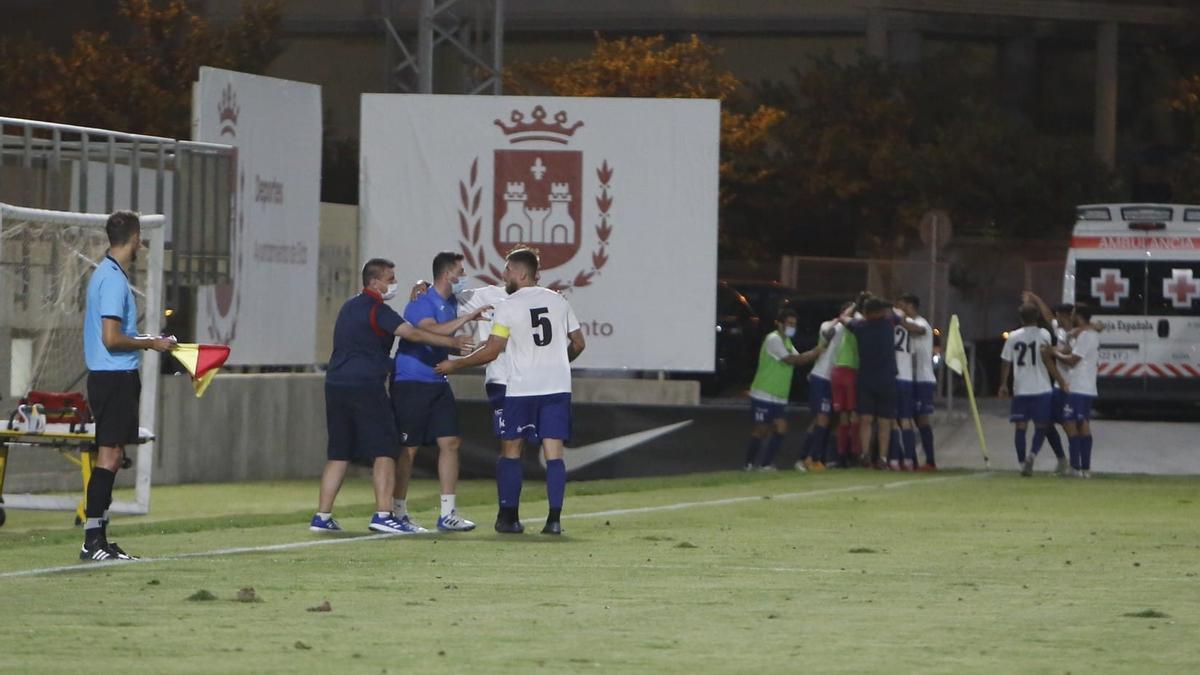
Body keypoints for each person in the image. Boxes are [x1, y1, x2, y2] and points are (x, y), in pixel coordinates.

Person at [311, 258, 472, 534]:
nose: (393, 283)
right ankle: (384, 514)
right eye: (389, 278)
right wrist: (452, 343)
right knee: (386, 449)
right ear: (374, 282)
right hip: (365, 385)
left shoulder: (348, 307)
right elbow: (413, 334)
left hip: (335, 382)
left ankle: (322, 516)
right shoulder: (377, 309)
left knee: (339, 452)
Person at [435, 248, 585, 535]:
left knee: (511, 448)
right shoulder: (559, 301)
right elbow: (578, 343)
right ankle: (554, 521)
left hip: (521, 387)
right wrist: (558, 364)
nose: (503, 274)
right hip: (557, 387)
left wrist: (455, 367)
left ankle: (508, 517)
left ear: (520, 273)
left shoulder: (508, 305)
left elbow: (492, 350)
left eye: (506, 269)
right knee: (554, 452)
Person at [80, 211, 174, 561]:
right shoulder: (114, 280)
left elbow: (117, 335)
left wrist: (152, 339)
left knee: (115, 456)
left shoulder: (106, 273)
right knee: (109, 456)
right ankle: (92, 539)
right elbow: (111, 338)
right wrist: (149, 344)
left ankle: (99, 538)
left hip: (112, 376)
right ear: (134, 238)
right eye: (140, 239)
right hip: (113, 377)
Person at [390, 252, 489, 533]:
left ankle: (447, 513)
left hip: (437, 382)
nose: (463, 276)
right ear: (449, 275)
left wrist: (460, 346)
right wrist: (466, 320)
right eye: (461, 271)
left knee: (451, 442)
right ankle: (398, 511)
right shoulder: (421, 302)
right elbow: (431, 331)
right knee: (408, 448)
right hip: (412, 382)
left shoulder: (449, 301)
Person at [743, 308, 824, 471]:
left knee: (781, 428)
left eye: (794, 324)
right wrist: (818, 350)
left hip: (779, 395)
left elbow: (799, 358)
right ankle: (749, 463)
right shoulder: (773, 339)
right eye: (789, 323)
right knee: (761, 430)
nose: (792, 327)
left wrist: (816, 351)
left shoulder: (787, 341)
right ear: (779, 324)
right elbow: (792, 360)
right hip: (764, 392)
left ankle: (766, 464)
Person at [841, 297, 915, 468]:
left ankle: (865, 455)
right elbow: (899, 313)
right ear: (876, 312)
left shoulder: (859, 326)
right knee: (884, 420)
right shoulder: (889, 323)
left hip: (866, 378)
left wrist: (854, 304)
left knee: (866, 418)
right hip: (887, 378)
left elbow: (843, 318)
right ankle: (882, 457)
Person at [998, 303, 1068, 474]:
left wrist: (1003, 384)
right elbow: (1047, 359)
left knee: (1020, 426)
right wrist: (1061, 380)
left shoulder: (1013, 337)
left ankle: (1022, 463)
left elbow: (1006, 362)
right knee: (1042, 426)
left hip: (1021, 388)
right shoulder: (1043, 334)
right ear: (1037, 318)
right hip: (1042, 387)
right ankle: (1032, 454)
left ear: (1020, 318)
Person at [1022, 292, 1073, 474]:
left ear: (1066, 317)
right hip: (1058, 387)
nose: (1055, 318)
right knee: (1047, 422)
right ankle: (1061, 460)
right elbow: (1048, 315)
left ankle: (1077, 465)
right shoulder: (1059, 331)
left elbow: (1069, 352)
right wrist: (1036, 298)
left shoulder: (1074, 334)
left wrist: (1052, 351)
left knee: (1070, 426)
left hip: (1070, 386)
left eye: (1058, 316)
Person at [1053, 304, 1100, 477]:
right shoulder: (1086, 333)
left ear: (1078, 316)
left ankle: (1076, 467)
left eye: (1073, 314)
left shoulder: (1086, 336)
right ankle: (1084, 468)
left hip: (1079, 386)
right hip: (1085, 386)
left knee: (1072, 423)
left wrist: (1054, 353)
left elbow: (1073, 360)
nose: (1071, 317)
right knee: (1081, 423)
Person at [795, 313, 844, 471]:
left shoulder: (850, 330)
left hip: (832, 379)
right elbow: (828, 333)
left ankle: (812, 457)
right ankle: (810, 458)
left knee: (823, 420)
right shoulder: (828, 325)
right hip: (821, 376)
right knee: (822, 418)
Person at [887, 296, 928, 471]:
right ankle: (910, 461)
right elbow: (920, 332)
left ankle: (895, 460)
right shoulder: (909, 324)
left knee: (892, 421)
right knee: (906, 420)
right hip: (906, 378)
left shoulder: (887, 323)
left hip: (891, 377)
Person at [898, 293, 938, 471]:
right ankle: (912, 459)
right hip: (910, 379)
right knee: (908, 419)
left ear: (911, 306)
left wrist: (897, 319)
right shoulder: (906, 327)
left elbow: (918, 330)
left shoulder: (922, 324)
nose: (901, 309)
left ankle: (930, 460)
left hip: (924, 379)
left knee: (922, 420)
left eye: (903, 305)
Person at [830, 294, 866, 463]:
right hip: (851, 370)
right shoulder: (858, 322)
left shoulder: (842, 324)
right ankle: (854, 453)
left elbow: (842, 317)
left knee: (843, 416)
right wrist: (859, 304)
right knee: (854, 415)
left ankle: (841, 454)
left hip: (838, 370)